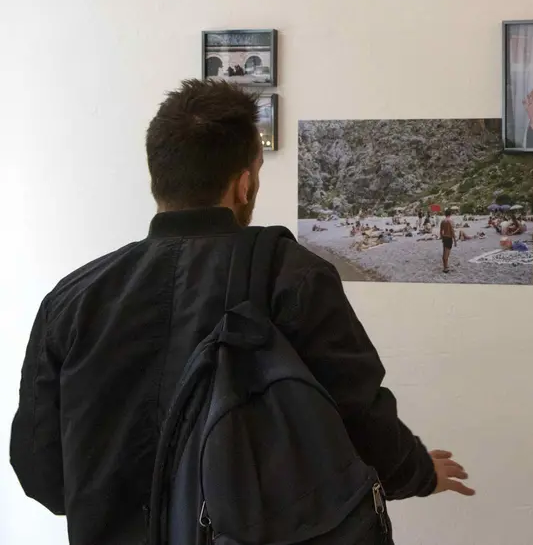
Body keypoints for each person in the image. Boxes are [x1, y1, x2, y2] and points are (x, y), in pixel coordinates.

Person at [9, 79, 474, 545]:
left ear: (158, 178)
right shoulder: (292, 275)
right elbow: (359, 416)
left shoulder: (71, 300)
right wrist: (418, 473)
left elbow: (41, 473)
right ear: (245, 183)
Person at [439, 209, 456, 273]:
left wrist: (441, 237)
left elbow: (441, 231)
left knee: (444, 252)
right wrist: (455, 240)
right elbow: (452, 231)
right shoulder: (450, 221)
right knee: (447, 253)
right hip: (449, 238)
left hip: (444, 237)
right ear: (450, 214)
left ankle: (445, 266)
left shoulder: (443, 221)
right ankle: (445, 267)